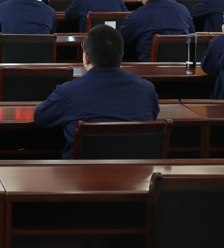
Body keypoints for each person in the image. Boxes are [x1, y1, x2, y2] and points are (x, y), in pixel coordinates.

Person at [33, 24, 159, 158]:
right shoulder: (147, 89)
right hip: (134, 170)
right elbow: (152, 116)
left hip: (82, 171)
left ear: (86, 57)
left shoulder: (68, 92)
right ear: (121, 54)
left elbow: (41, 118)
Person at [119, 0, 195, 61]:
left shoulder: (136, 16)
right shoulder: (183, 10)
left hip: (149, 67)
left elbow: (121, 40)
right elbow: (192, 35)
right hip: (181, 65)